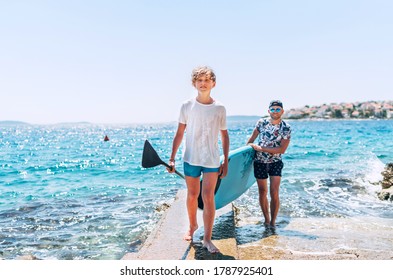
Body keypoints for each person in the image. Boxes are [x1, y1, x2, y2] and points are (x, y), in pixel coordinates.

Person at [167, 66, 229, 254]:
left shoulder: (219, 108)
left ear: (213, 83)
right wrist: (171, 159)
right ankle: (192, 226)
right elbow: (179, 134)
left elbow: (225, 136)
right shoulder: (186, 106)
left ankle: (207, 238)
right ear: (194, 83)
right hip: (191, 158)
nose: (203, 83)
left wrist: (225, 160)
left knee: (208, 197)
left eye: (206, 80)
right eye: (199, 80)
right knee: (192, 195)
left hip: (211, 159)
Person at [246, 100, 291, 230]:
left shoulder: (286, 127)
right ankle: (266, 219)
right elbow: (251, 140)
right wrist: (246, 154)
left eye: (278, 109)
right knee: (262, 191)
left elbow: (282, 150)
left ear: (282, 111)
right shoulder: (261, 123)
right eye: (273, 109)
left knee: (274, 192)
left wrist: (261, 148)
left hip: (275, 162)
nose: (275, 111)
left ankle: (273, 222)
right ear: (268, 111)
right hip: (259, 162)